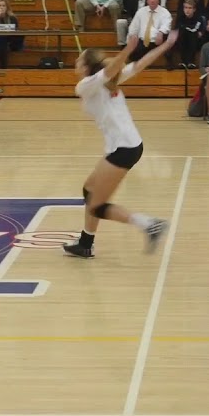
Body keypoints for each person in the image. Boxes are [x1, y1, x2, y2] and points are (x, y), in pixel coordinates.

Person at [64, 32, 180, 259]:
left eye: (79, 59)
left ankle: (149, 224)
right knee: (89, 190)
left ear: (86, 66)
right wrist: (165, 45)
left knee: (96, 205)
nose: (76, 62)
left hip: (123, 149)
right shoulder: (109, 81)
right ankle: (85, 243)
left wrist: (127, 50)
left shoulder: (86, 85)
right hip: (123, 146)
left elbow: (114, 69)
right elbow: (140, 64)